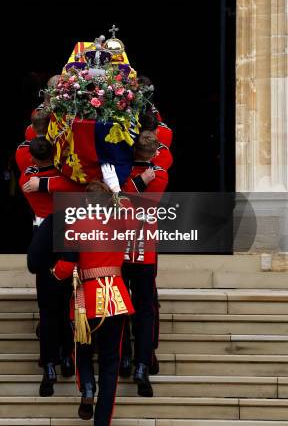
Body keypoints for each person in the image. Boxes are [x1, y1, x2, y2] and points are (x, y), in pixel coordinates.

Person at [51, 179, 135, 425]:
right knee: (110, 364)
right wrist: (117, 191)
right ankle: (102, 421)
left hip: (87, 298)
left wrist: (54, 274)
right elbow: (130, 208)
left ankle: (87, 386)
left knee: (83, 349)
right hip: (116, 298)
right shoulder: (122, 222)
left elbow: (67, 265)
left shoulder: (78, 225)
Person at [19, 136, 75, 393]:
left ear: (32, 157)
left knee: (47, 307)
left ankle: (50, 362)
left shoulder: (27, 178)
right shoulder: (63, 177)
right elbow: (72, 185)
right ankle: (66, 356)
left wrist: (42, 182)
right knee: (65, 303)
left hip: (43, 235)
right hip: (64, 234)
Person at [118, 131, 169, 396]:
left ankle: (134, 360)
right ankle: (137, 362)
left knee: (131, 305)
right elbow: (118, 197)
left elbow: (129, 198)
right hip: (140, 247)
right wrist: (140, 181)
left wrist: (135, 183)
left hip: (128, 245)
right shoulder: (153, 173)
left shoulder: (130, 173)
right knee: (142, 308)